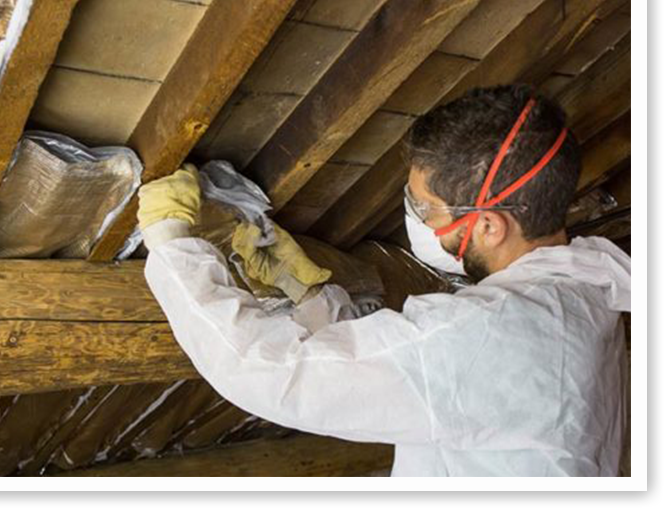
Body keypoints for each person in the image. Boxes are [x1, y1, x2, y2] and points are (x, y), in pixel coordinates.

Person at [137, 85, 631, 476]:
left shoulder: (490, 333)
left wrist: (170, 241)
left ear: (488, 226)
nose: (414, 217)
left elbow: (273, 372)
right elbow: (403, 369)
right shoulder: (584, 290)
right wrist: (309, 294)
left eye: (427, 209)